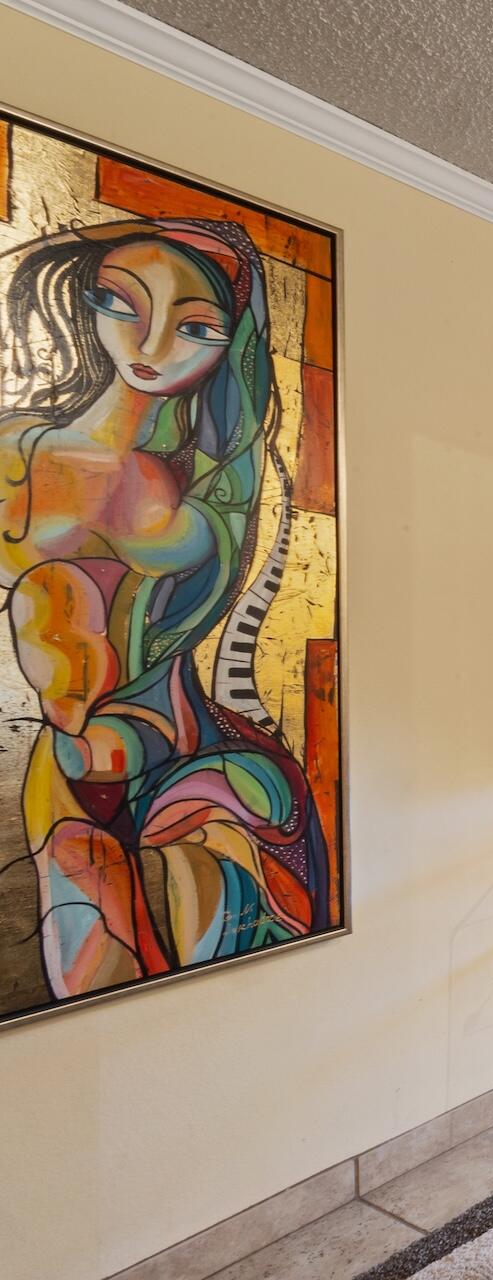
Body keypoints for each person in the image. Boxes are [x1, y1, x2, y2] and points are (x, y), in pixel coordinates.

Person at [0, 218, 328, 998]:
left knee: (227, 982)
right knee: (86, 988)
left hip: (188, 759)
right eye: (121, 300)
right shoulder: (16, 447)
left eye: (196, 326)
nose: (150, 342)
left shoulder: (206, 494)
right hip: (66, 766)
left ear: (228, 347)